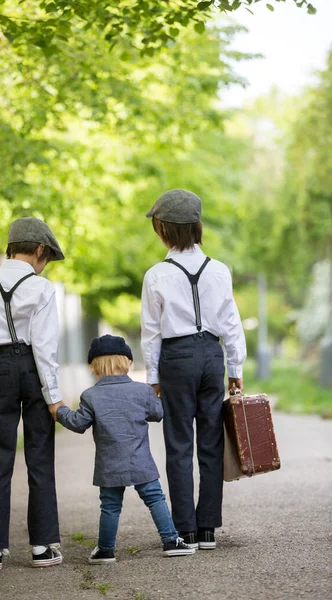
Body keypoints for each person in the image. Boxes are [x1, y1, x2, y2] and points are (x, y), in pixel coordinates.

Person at [141, 189, 247, 550]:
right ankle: (207, 529)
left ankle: (183, 529)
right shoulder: (219, 270)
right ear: (197, 226)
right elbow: (231, 322)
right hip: (211, 355)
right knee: (211, 441)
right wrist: (235, 365)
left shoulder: (156, 274)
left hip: (176, 358)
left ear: (164, 230)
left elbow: (151, 331)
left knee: (178, 443)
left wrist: (152, 377)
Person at [0, 217, 65, 571]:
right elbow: (46, 347)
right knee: (39, 456)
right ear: (38, 250)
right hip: (33, 370)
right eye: (45, 257)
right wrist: (53, 396)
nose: (43, 264)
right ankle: (40, 548)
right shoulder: (43, 289)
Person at [48, 334, 195, 563]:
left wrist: (59, 410)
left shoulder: (90, 396)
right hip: (141, 462)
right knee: (155, 498)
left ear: (93, 366)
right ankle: (171, 540)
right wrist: (158, 396)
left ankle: (106, 549)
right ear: (127, 362)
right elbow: (158, 414)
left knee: (110, 506)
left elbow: (78, 424)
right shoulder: (142, 391)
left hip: (109, 465)